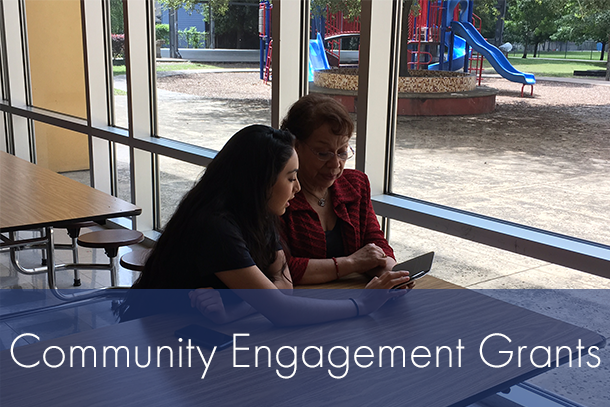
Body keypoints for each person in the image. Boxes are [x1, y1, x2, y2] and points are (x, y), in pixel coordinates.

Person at [119, 124, 410, 325]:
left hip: (207, 330)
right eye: (290, 177)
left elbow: (284, 283)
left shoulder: (259, 212)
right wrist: (361, 304)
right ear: (260, 181)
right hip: (155, 334)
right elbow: (281, 309)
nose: (297, 188)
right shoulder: (215, 226)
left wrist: (232, 312)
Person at [280, 94, 399, 285]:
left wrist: (393, 274)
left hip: (354, 296)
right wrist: (352, 263)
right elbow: (281, 269)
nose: (336, 164)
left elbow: (375, 241)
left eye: (342, 152)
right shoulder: (278, 193)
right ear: (296, 146)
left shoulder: (355, 184)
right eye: (323, 153)